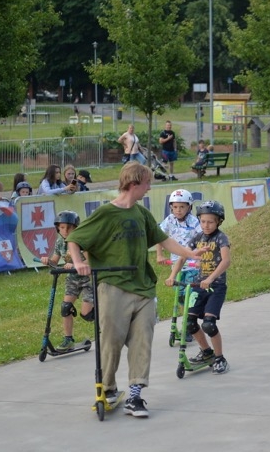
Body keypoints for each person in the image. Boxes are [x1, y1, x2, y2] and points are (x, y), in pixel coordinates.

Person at [67, 162, 202, 418]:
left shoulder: (141, 214)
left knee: (143, 340)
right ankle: (107, 387)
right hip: (113, 284)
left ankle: (135, 394)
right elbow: (75, 239)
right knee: (111, 340)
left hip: (143, 287)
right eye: (147, 183)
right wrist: (78, 262)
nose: (150, 187)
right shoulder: (106, 213)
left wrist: (190, 252)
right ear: (134, 183)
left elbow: (164, 240)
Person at [165, 200, 231, 374]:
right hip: (199, 286)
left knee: (209, 324)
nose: (206, 225)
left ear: (218, 221)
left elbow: (225, 261)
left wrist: (210, 278)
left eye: (210, 221)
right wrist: (172, 276)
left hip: (215, 287)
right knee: (189, 323)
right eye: (203, 221)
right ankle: (206, 352)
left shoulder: (221, 238)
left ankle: (219, 357)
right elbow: (182, 257)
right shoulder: (197, 238)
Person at [42, 211, 95, 351]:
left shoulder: (81, 240)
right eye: (62, 227)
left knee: (87, 314)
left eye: (69, 227)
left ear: (75, 227)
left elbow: (90, 260)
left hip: (87, 280)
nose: (65, 231)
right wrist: (48, 261)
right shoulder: (60, 242)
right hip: (72, 280)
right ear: (58, 228)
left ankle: (107, 320)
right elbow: (54, 261)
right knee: (66, 308)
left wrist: (76, 264)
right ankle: (68, 339)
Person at [156, 189, 201, 266]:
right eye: (175, 207)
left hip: (192, 264)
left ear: (189, 207)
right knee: (174, 278)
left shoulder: (194, 221)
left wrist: (200, 259)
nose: (178, 210)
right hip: (175, 263)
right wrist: (159, 255)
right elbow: (158, 235)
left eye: (182, 207)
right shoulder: (170, 219)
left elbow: (205, 238)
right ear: (171, 207)